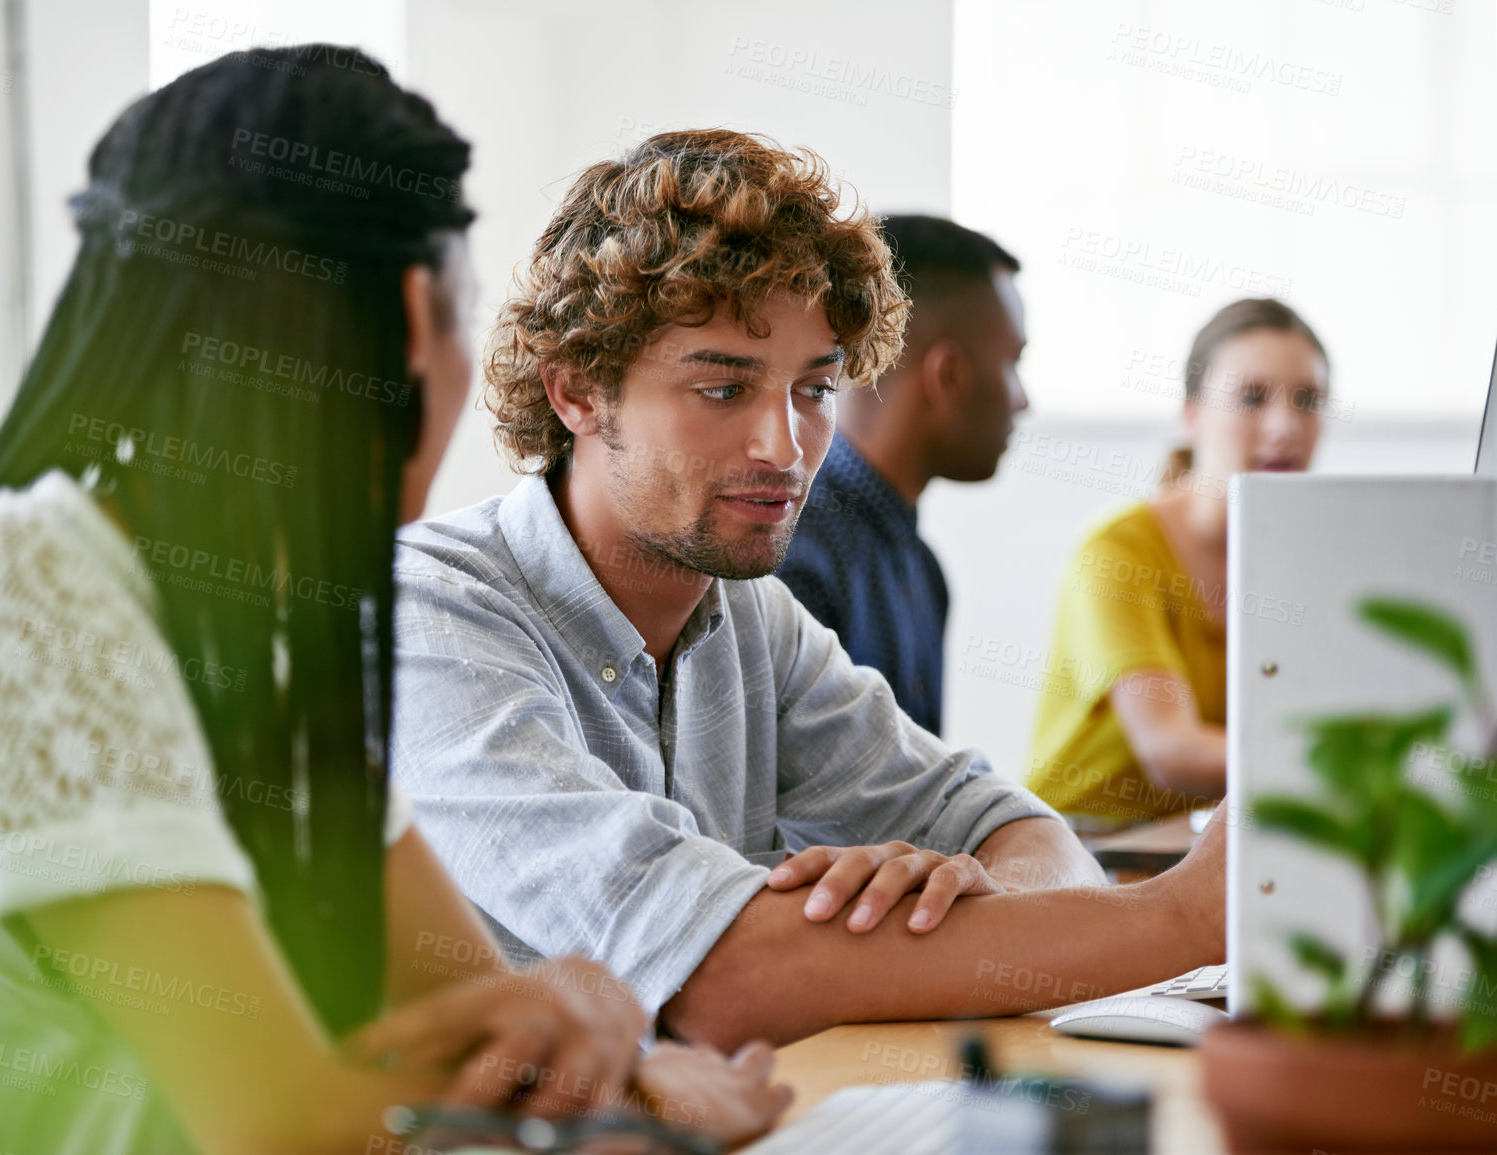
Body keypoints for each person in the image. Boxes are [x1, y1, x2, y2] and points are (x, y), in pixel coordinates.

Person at [0, 49, 789, 1153]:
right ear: (413, 320)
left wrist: (591, 1040)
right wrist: (591, 1027)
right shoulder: (17, 585)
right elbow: (292, 1132)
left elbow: (455, 1029)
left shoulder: (284, 626)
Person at [392, 128, 1228, 1054]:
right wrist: (1185, 917)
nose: (785, 450)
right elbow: (726, 979)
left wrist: (970, 896)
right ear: (577, 393)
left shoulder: (749, 615)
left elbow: (1015, 828)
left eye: (814, 389)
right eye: (721, 390)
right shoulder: (427, 614)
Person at [1026, 298, 1331, 825]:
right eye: (1252, 397)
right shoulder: (1117, 550)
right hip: (1083, 850)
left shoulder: (1311, 564)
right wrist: (1352, 768)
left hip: (1200, 849)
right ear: (1191, 415)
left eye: (1308, 400)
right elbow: (1169, 748)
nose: (1285, 427)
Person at [777, 214, 1027, 736]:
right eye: (1012, 363)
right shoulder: (788, 551)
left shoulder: (921, 569)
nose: (1023, 400)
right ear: (948, 376)